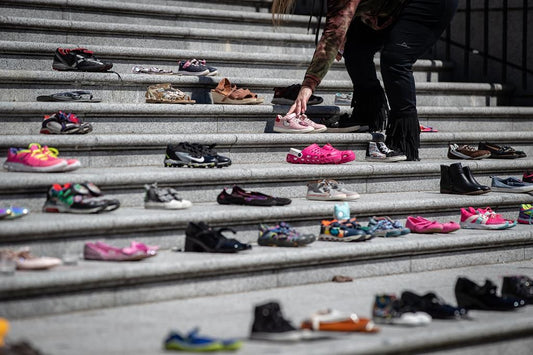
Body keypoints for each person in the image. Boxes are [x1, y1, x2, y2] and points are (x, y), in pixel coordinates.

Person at [272, 0, 459, 161]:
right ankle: (367, 113)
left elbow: (332, 34)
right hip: (389, 7)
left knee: (396, 59)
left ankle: (404, 141)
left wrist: (308, 85)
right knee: (356, 48)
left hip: (430, 4)